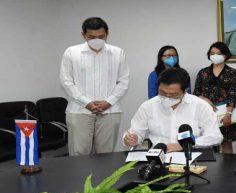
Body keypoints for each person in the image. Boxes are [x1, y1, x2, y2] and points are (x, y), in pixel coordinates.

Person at [60, 17, 130, 156]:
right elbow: (66, 81)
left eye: (101, 36)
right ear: (83, 35)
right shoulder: (71, 52)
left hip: (110, 111)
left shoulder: (117, 52)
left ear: (107, 33)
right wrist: (86, 103)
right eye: (92, 36)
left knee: (106, 154)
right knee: (79, 154)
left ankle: (104, 178)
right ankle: (79, 179)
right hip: (79, 111)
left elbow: (123, 81)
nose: (97, 40)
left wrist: (108, 102)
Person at [124, 68, 223, 152]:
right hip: (159, 158)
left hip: (192, 156)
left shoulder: (200, 106)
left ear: (185, 91)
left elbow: (215, 136)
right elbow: (135, 131)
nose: (167, 97)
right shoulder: (148, 106)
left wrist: (185, 145)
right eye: (162, 93)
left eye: (173, 95)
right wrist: (132, 138)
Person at [193, 42, 236, 154]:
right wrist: (205, 99)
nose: (214, 55)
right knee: (208, 142)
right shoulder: (203, 72)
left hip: (225, 113)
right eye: (212, 53)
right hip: (205, 112)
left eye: (218, 53)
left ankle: (228, 168)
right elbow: (195, 93)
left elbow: (232, 94)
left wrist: (228, 114)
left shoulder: (232, 72)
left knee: (226, 142)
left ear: (225, 55)